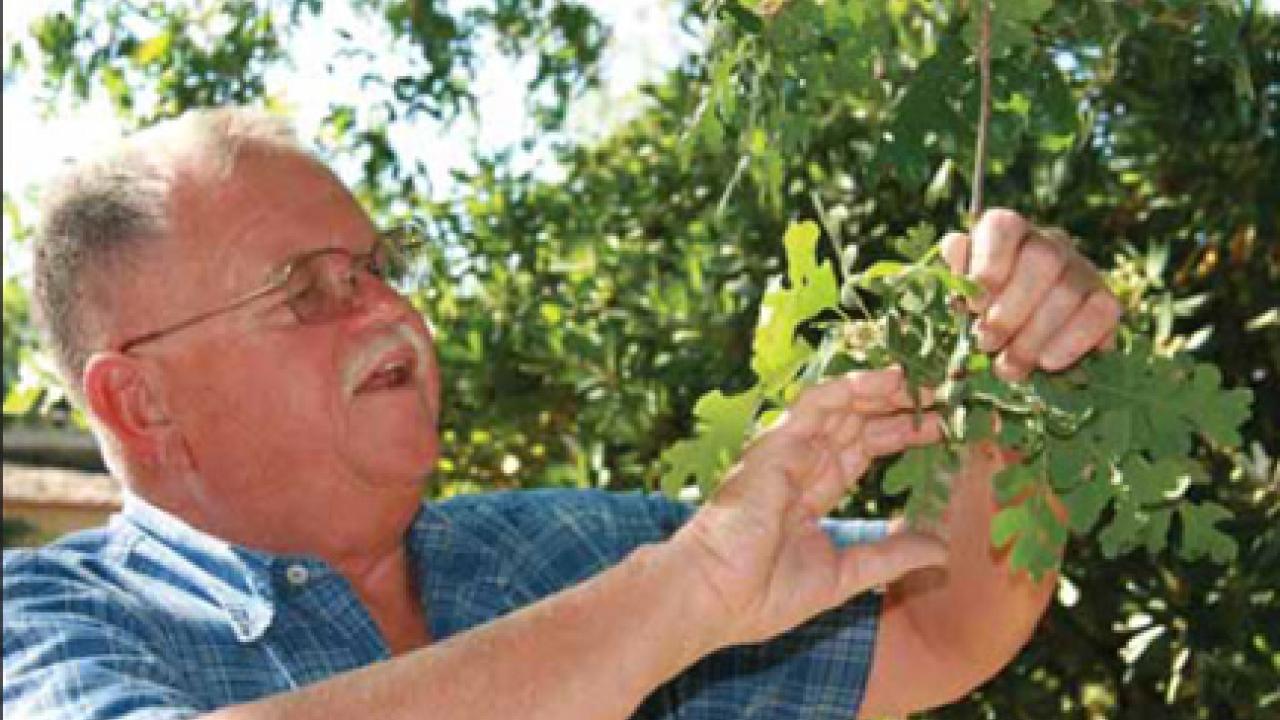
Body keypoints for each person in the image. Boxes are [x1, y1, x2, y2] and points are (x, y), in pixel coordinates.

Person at [2, 108, 1121, 720]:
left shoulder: (568, 549)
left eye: (380, 267)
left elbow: (945, 624)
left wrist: (1019, 380)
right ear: (136, 397)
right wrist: (679, 598)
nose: (390, 310)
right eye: (309, 288)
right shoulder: (44, 621)